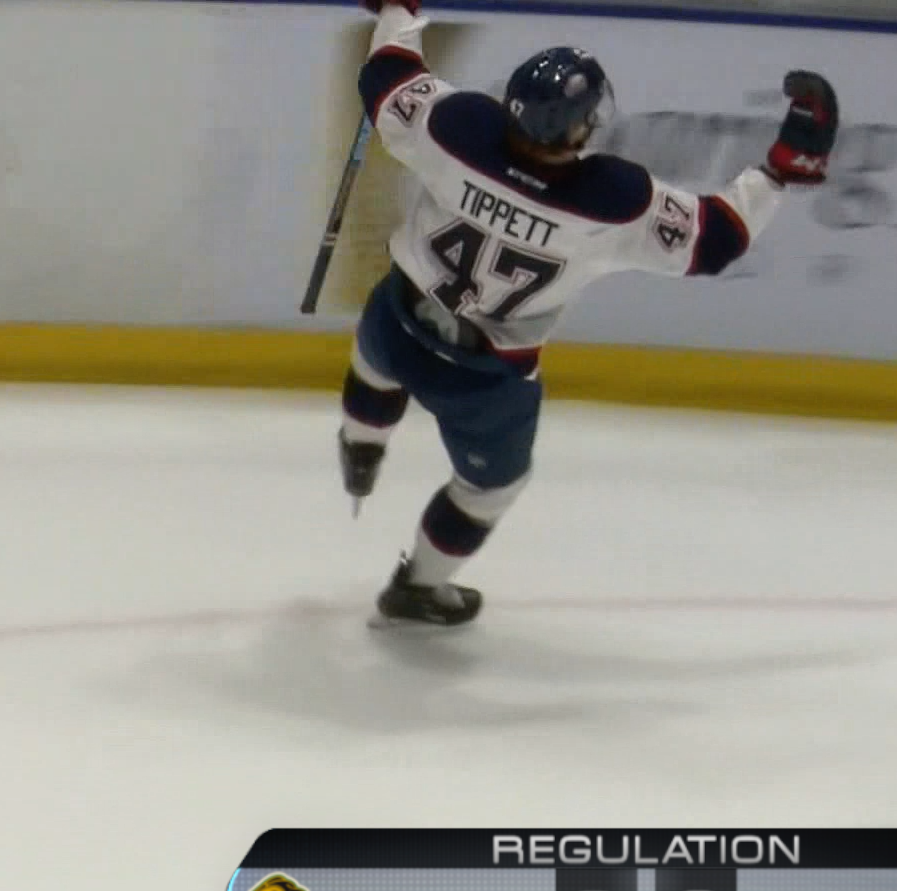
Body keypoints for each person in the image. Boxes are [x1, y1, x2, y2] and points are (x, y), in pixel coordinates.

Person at [340, 0, 838, 627]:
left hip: (398, 319)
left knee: (375, 362)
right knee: (490, 489)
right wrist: (781, 172)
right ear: (579, 128)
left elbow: (386, 78)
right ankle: (417, 588)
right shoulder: (615, 202)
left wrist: (398, 12)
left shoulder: (455, 126)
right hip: (485, 379)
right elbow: (717, 238)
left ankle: (360, 448)